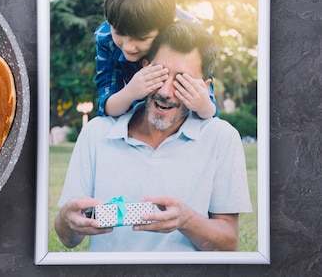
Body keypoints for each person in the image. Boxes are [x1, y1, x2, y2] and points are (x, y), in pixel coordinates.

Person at [55, 20, 251, 252]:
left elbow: (228, 244)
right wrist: (67, 222)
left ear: (203, 87)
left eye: (181, 81)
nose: (165, 91)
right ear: (144, 68)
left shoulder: (222, 138)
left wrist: (186, 220)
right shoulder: (95, 133)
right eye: (160, 74)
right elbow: (67, 238)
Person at [94, 0, 217, 118]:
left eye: (141, 38)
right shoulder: (106, 37)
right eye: (119, 33)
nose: (128, 46)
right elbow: (106, 107)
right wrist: (131, 91)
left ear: (165, 28)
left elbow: (210, 108)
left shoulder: (192, 40)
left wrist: (203, 106)